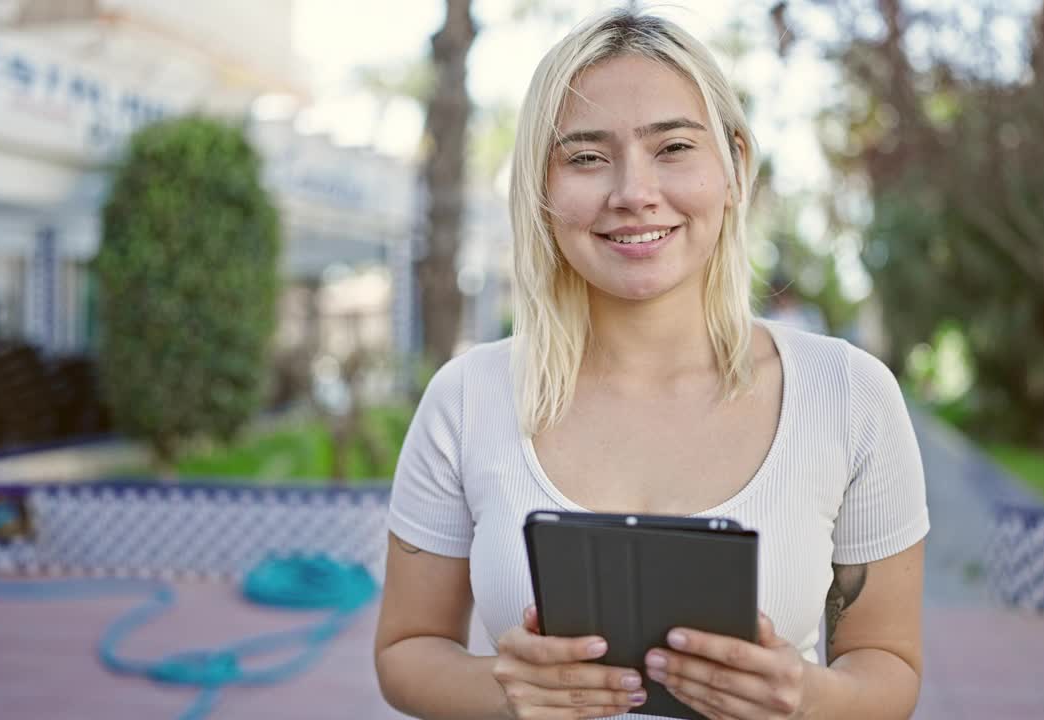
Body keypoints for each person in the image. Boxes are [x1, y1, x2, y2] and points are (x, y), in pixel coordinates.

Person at [375, 9, 927, 720]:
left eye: (672, 148)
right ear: (542, 193)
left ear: (734, 169)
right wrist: (508, 691)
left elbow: (889, 667)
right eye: (585, 156)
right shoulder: (466, 398)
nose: (633, 191)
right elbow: (407, 649)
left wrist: (804, 698)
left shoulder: (847, 396)